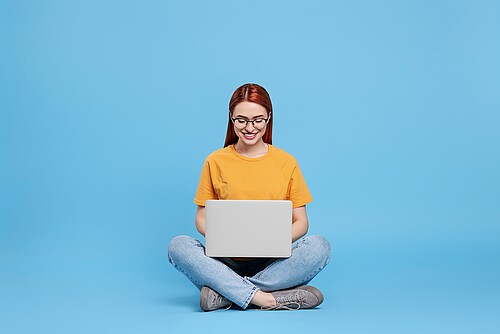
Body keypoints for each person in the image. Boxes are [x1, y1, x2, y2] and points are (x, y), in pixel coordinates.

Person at [168, 83, 331, 311]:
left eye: (257, 120)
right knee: (178, 246)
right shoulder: (215, 161)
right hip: (224, 262)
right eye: (242, 120)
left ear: (269, 118)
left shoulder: (287, 162)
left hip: (273, 263)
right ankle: (267, 299)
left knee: (319, 247)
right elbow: (201, 218)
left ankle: (228, 294)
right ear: (231, 118)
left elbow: (301, 222)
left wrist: (270, 240)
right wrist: (228, 236)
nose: (250, 127)